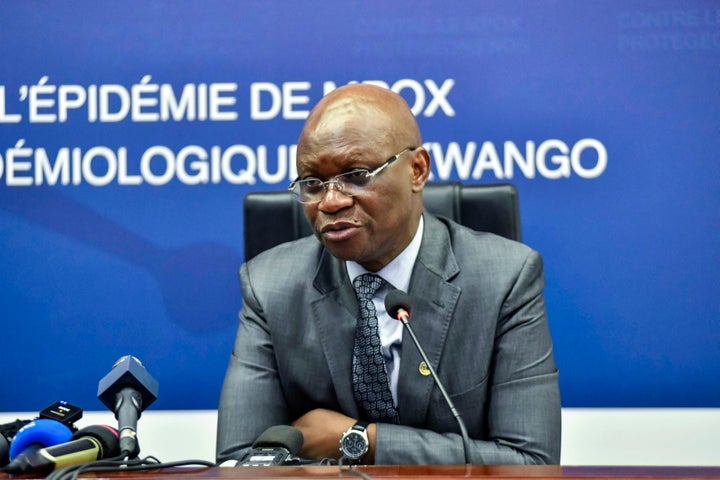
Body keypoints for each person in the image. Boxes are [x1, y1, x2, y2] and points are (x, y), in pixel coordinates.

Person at [217, 84, 561, 465]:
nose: (331, 201)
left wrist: (361, 440)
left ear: (417, 170)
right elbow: (241, 462)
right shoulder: (268, 285)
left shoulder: (505, 279)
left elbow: (532, 463)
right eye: (312, 184)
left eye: (357, 175)